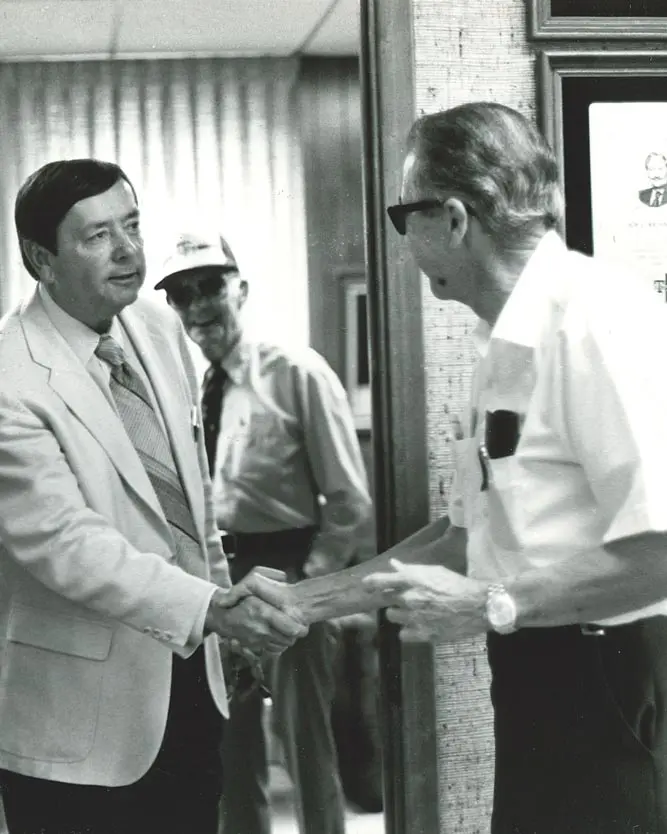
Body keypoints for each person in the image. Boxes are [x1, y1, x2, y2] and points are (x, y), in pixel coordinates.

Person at [285, 102, 667, 834]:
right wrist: (310, 603)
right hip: (541, 673)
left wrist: (490, 606)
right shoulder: (505, 342)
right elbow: (465, 535)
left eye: (405, 217)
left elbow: (661, 548)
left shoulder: (595, 320)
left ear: (453, 219)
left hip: (612, 676)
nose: (406, 242)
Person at [0, 159, 307, 834]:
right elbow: (63, 543)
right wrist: (212, 610)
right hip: (78, 728)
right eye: (98, 236)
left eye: (132, 225)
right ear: (40, 258)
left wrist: (227, 633)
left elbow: (191, 508)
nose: (128, 250)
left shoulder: (157, 329)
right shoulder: (10, 377)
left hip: (192, 687)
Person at [154, 231, 374, 834]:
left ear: (240, 290)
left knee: (308, 751)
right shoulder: (188, 389)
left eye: (210, 288)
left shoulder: (297, 372)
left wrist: (305, 594)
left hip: (290, 573)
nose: (197, 307)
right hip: (221, 584)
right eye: (181, 295)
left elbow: (350, 502)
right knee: (231, 755)